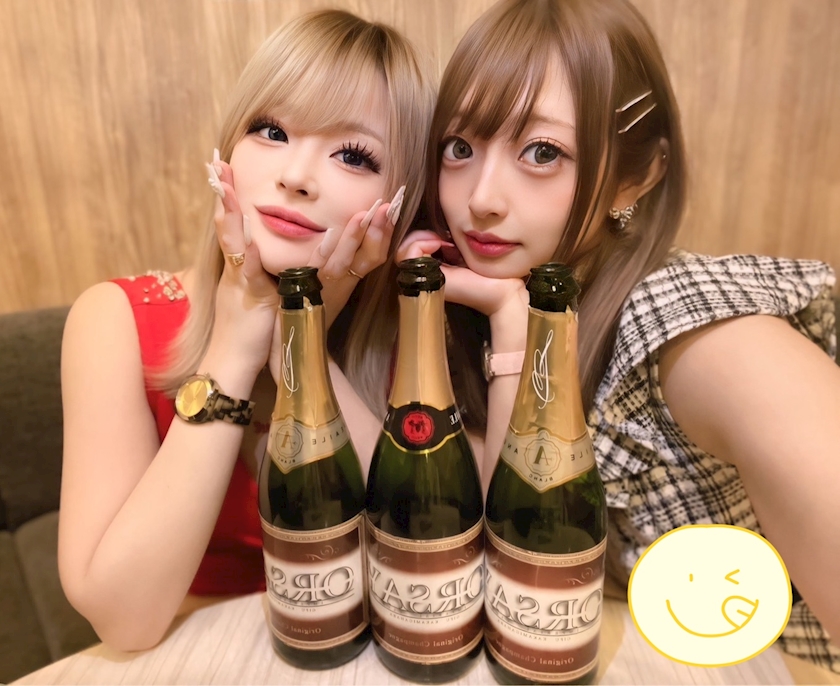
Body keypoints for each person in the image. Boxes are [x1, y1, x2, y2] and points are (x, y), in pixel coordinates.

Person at [399, 0, 840, 672]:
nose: (480, 197)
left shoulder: (696, 333)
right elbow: (498, 565)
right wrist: (508, 321)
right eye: (460, 147)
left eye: (542, 152)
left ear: (635, 179)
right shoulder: (490, 305)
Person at [58, 9, 434, 652]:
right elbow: (125, 620)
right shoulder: (115, 320)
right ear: (226, 151)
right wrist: (235, 343)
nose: (296, 176)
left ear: (397, 200)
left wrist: (300, 339)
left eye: (353, 155)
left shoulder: (419, 334)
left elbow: (428, 568)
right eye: (271, 130)